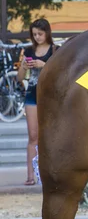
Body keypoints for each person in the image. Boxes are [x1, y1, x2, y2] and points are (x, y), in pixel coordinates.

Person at [17, 19, 58, 186]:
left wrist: (44, 64)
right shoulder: (28, 50)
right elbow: (19, 79)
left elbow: (59, 74)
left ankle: (52, 174)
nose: (37, 37)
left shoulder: (55, 50)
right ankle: (30, 175)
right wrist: (24, 67)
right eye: (34, 34)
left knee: (51, 136)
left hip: (50, 97)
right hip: (32, 94)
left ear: (47, 32)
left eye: (40, 34)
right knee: (33, 136)